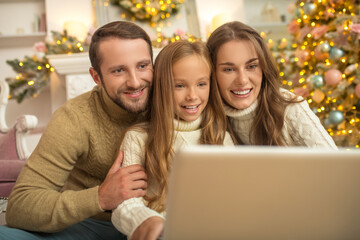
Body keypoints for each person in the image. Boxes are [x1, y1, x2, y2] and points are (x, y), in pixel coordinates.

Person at [0, 21, 152, 239]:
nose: (135, 82)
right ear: (96, 77)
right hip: (90, 225)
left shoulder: (174, 101)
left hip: (157, 221)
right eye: (119, 70)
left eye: (142, 66)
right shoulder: (74, 117)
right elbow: (20, 205)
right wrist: (101, 197)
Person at [110, 40, 235, 240]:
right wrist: (147, 221)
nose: (192, 96)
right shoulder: (138, 138)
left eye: (201, 84)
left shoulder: (220, 137)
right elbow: (124, 205)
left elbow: (234, 197)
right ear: (162, 87)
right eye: (179, 86)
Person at [207, 21, 337, 148]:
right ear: (212, 73)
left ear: (264, 68)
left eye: (251, 66)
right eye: (229, 69)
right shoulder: (207, 117)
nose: (242, 80)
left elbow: (334, 165)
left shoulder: (289, 108)